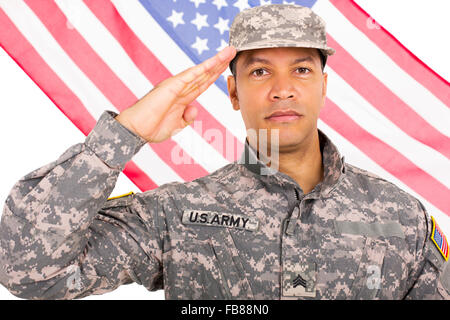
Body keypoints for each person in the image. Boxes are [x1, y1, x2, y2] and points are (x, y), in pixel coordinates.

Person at [0, 4, 448, 300]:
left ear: (323, 85)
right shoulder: (177, 212)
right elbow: (26, 269)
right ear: (233, 92)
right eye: (259, 72)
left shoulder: (400, 215)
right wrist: (126, 132)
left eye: (302, 69)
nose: (282, 89)